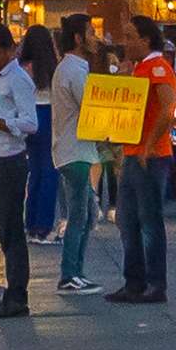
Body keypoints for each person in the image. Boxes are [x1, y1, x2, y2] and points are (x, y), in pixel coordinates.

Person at [105, 13, 176, 304]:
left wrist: (149, 145)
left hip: (150, 155)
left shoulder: (157, 68)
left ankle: (154, 283)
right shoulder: (140, 69)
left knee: (148, 220)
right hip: (134, 152)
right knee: (128, 220)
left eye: (130, 37)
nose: (125, 43)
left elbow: (168, 108)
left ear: (145, 40)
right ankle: (134, 281)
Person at [0, 24, 43, 318]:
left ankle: (16, 296)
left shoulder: (18, 80)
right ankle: (13, 294)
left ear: (10, 50)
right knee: (3, 228)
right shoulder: (0, 78)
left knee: (11, 230)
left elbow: (30, 123)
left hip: (8, 160)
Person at [47, 22, 106, 287]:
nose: (96, 38)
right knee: (79, 215)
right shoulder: (74, 70)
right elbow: (92, 106)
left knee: (85, 214)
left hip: (76, 150)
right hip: (75, 151)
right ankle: (70, 273)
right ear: (78, 38)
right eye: (91, 33)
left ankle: (76, 272)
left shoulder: (71, 68)